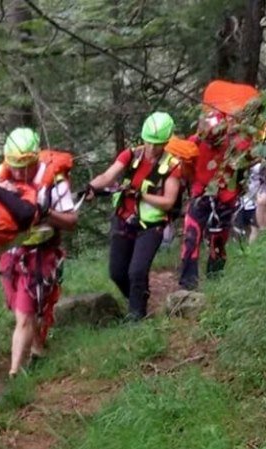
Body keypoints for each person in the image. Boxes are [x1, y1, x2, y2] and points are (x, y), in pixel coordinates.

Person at [0, 128, 78, 377]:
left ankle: (14, 372)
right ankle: (38, 348)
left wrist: (45, 211)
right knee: (19, 308)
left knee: (24, 315)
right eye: (14, 167)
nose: (18, 173)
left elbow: (71, 221)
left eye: (24, 167)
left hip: (41, 252)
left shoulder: (54, 182)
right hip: (10, 252)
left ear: (34, 160)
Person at [87, 111, 182, 320]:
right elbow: (108, 176)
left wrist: (142, 195)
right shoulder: (130, 155)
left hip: (152, 226)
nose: (152, 148)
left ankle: (136, 316)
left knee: (137, 272)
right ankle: (137, 299)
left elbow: (168, 201)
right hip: (124, 220)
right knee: (117, 272)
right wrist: (91, 187)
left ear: (166, 142)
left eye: (157, 144)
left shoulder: (172, 166)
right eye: (149, 142)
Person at [178, 108, 253, 288]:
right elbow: (187, 174)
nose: (211, 142)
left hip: (225, 198)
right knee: (191, 237)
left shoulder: (236, 144)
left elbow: (249, 161)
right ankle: (188, 283)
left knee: (218, 242)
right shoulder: (194, 143)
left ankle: (215, 282)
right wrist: (185, 162)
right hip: (200, 195)